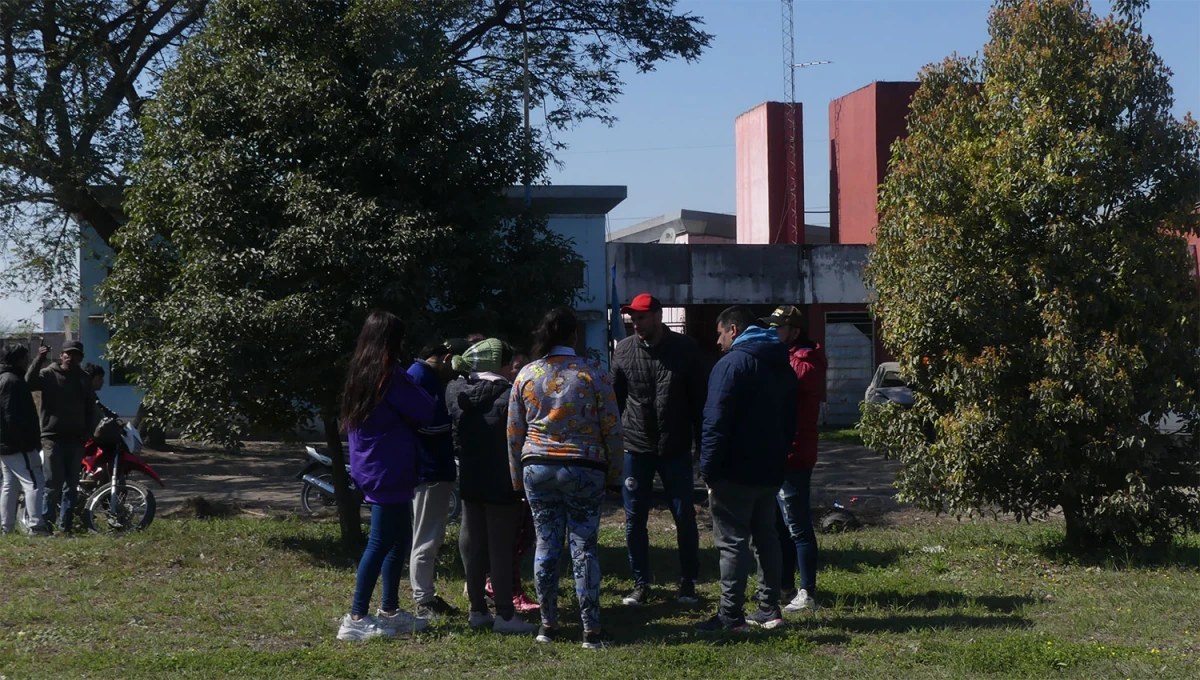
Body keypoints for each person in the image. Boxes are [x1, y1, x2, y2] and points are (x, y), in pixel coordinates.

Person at [507, 308, 623, 650]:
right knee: (583, 545)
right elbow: (612, 428)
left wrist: (516, 479)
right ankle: (591, 629)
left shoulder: (526, 374)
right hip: (584, 467)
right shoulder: (594, 374)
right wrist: (615, 473)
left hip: (537, 467)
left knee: (546, 543)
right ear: (574, 336)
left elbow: (514, 430)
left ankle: (548, 623)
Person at [695, 306, 797, 633]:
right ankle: (769, 608)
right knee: (766, 538)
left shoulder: (730, 365)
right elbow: (790, 420)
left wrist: (707, 469)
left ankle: (731, 615)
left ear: (734, 329)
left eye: (720, 332)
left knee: (733, 542)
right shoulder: (782, 364)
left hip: (734, 471)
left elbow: (715, 422)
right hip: (769, 470)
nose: (717, 339)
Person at [337, 311, 434, 641]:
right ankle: (356, 616)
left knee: (399, 539)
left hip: (374, 465)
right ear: (392, 341)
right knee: (380, 542)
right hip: (389, 468)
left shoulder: (361, 372)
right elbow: (425, 409)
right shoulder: (389, 375)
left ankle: (390, 610)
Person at [610, 293, 707, 606]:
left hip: (675, 446)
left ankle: (688, 583)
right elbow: (616, 400)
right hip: (636, 448)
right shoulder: (623, 350)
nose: (635, 324)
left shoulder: (685, 349)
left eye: (641, 318)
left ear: (657, 316)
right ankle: (640, 583)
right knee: (634, 517)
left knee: (683, 515)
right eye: (632, 319)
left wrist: (701, 445)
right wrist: (614, 444)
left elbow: (698, 402)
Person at [447, 338, 538, 634]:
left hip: (471, 478)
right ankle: (505, 614)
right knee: (501, 549)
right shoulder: (510, 395)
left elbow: (456, 439)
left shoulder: (455, 392)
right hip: (502, 481)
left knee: (472, 545)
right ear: (500, 364)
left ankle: (477, 610)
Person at [759, 306, 827, 613]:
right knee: (777, 523)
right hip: (777, 450)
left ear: (795, 332)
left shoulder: (804, 364)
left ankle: (807, 591)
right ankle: (785, 585)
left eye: (777, 328)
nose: (771, 333)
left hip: (795, 453)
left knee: (797, 524)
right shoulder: (786, 358)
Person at [407, 338, 469, 621]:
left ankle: (427, 596)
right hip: (429, 470)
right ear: (445, 359)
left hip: (436, 468)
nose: (456, 374)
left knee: (432, 535)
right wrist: (457, 422)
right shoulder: (420, 378)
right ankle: (423, 601)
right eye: (455, 367)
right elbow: (425, 424)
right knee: (426, 538)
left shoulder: (425, 376)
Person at [26, 340, 96, 534]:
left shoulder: (83, 378)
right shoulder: (48, 374)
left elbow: (91, 406)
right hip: (52, 438)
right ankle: (46, 526)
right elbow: (29, 382)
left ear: (81, 358)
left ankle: (66, 527)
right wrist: (39, 359)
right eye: (68, 354)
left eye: (76, 355)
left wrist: (88, 432)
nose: (71, 358)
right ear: (61, 355)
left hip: (76, 439)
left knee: (71, 486)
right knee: (52, 485)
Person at [0, 344, 50, 535]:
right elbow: (11, 416)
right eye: (26, 357)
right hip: (18, 444)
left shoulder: (4, 378)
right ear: (19, 359)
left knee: (9, 485)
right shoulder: (12, 381)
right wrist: (25, 443)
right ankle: (36, 526)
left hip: (5, 445)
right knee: (34, 482)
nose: (27, 360)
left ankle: (6, 527)